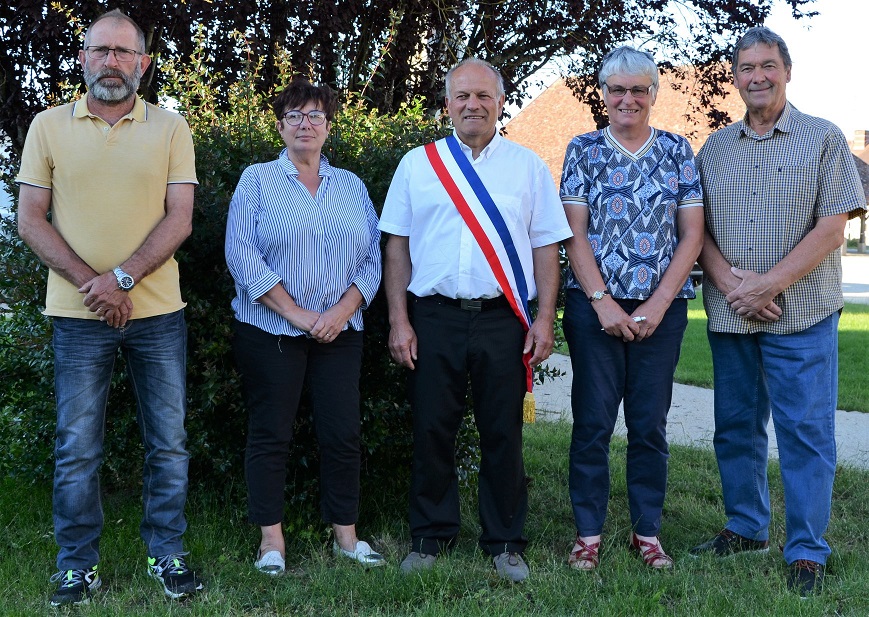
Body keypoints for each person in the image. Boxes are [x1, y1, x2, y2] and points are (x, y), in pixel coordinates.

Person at [16, 9, 202, 606]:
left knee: (168, 442)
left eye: (125, 52)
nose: (113, 61)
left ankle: (166, 555)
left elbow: (180, 218)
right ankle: (76, 566)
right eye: (102, 50)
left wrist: (120, 278)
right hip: (76, 317)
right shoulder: (47, 126)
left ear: (144, 64)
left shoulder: (171, 129)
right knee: (77, 445)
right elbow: (29, 219)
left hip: (158, 314)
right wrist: (91, 285)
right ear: (85, 58)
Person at [380, 57, 572, 583]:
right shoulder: (418, 165)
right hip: (434, 316)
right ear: (447, 104)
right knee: (432, 429)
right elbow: (395, 246)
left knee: (503, 432)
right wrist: (399, 320)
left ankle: (506, 541)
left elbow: (546, 249)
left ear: (501, 102)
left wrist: (544, 320)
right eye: (462, 96)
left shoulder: (528, 166)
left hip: (502, 320)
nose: (473, 105)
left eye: (484, 96)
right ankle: (429, 535)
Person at [691, 27, 866, 596]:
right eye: (746, 67)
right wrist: (732, 285)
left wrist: (768, 284)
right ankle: (746, 526)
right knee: (736, 429)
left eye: (768, 65)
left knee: (806, 434)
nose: (758, 76)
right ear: (734, 76)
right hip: (730, 315)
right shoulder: (714, 149)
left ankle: (807, 549)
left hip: (804, 314)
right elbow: (697, 231)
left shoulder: (822, 138)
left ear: (787, 71)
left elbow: (833, 227)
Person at [225, 79, 384, 575]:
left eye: (315, 115)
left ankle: (347, 537)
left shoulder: (352, 186)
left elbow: (372, 258)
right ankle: (271, 541)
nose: (305, 123)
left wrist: (339, 313)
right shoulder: (256, 181)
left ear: (330, 127)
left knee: (341, 434)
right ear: (280, 125)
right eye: (295, 115)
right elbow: (241, 253)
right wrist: (298, 315)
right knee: (271, 433)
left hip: (341, 331)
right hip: (270, 329)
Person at [559, 47, 704, 571]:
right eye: (617, 89)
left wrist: (660, 302)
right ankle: (588, 535)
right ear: (603, 93)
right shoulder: (583, 150)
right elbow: (573, 234)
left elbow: (692, 234)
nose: (627, 99)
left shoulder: (676, 151)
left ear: (653, 95)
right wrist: (601, 302)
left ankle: (647, 533)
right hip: (593, 312)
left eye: (638, 90)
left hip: (660, 314)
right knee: (592, 424)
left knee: (649, 426)